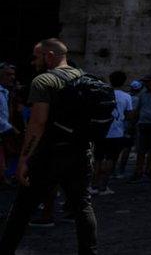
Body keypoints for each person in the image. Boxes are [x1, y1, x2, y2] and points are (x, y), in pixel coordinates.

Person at [0, 38, 98, 254]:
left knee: (22, 208)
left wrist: (24, 159)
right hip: (81, 152)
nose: (33, 62)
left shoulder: (43, 80)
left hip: (49, 154)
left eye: (36, 57)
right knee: (83, 206)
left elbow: (37, 123)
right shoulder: (84, 77)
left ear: (49, 56)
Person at [92, 71, 134, 195]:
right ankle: (103, 186)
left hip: (101, 131)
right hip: (116, 132)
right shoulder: (126, 97)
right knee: (111, 159)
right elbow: (129, 115)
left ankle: (94, 185)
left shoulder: (102, 93)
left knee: (98, 158)